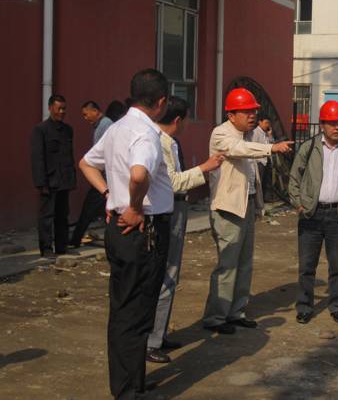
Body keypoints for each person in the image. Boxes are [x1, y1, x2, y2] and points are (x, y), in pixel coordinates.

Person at [79, 68, 173, 399]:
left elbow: (86, 163)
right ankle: (127, 390)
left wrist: (109, 194)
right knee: (135, 313)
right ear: (161, 102)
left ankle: (132, 383)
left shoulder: (116, 128)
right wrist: (133, 205)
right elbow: (138, 175)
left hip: (120, 229)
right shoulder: (146, 134)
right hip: (141, 230)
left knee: (126, 308)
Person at [202, 88, 293, 335]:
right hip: (228, 207)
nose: (252, 115)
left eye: (254, 111)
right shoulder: (221, 133)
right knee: (228, 265)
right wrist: (271, 148)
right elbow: (239, 149)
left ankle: (236, 311)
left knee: (245, 263)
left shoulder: (253, 134)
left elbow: (257, 154)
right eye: (246, 112)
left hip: (248, 203)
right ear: (231, 115)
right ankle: (216, 316)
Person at [146, 96, 225, 364]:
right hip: (166, 210)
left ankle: (159, 334)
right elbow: (172, 183)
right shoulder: (158, 142)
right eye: (187, 119)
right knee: (165, 275)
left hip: (175, 209)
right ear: (178, 120)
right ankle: (152, 340)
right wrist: (204, 168)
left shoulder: (170, 142)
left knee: (171, 274)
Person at [289, 100, 338, 325]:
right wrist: (298, 204)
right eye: (332, 123)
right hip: (311, 215)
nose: (337, 127)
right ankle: (304, 307)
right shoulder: (309, 148)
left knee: (337, 266)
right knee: (306, 266)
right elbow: (294, 177)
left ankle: (337, 306)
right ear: (322, 124)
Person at [31, 94, 77, 258]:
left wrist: (72, 178)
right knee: (46, 217)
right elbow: (37, 158)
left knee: (62, 215)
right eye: (59, 109)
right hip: (49, 181)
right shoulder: (41, 130)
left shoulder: (68, 130)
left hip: (64, 180)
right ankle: (46, 248)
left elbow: (69, 156)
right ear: (50, 108)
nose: (62, 112)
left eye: (64, 109)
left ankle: (62, 246)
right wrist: (41, 183)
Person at [69, 101, 114, 247]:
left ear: (95, 111)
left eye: (86, 114)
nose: (85, 118)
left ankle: (76, 239)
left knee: (88, 209)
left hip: (103, 178)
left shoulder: (105, 125)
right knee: (104, 211)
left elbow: (101, 154)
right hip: (103, 176)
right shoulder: (100, 126)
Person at [249, 113, 273, 201]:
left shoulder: (266, 133)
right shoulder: (255, 132)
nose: (267, 125)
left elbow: (271, 144)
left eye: (268, 123)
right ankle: (258, 200)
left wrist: (270, 135)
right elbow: (253, 146)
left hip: (266, 160)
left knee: (267, 181)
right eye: (266, 123)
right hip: (259, 161)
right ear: (260, 122)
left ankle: (265, 198)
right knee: (259, 182)